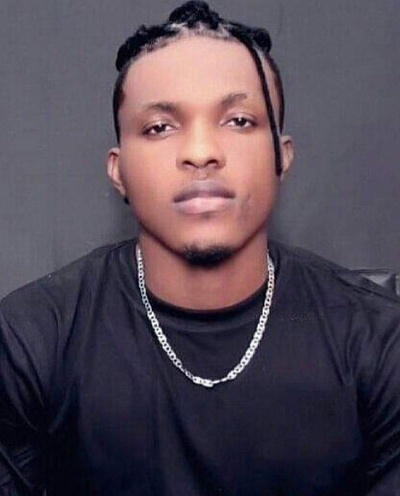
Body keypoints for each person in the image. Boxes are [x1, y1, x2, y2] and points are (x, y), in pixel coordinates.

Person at [1, 1, 400, 494]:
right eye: (159, 127)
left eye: (239, 121)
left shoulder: (380, 343)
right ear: (118, 171)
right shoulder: (30, 338)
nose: (200, 152)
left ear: (282, 157)